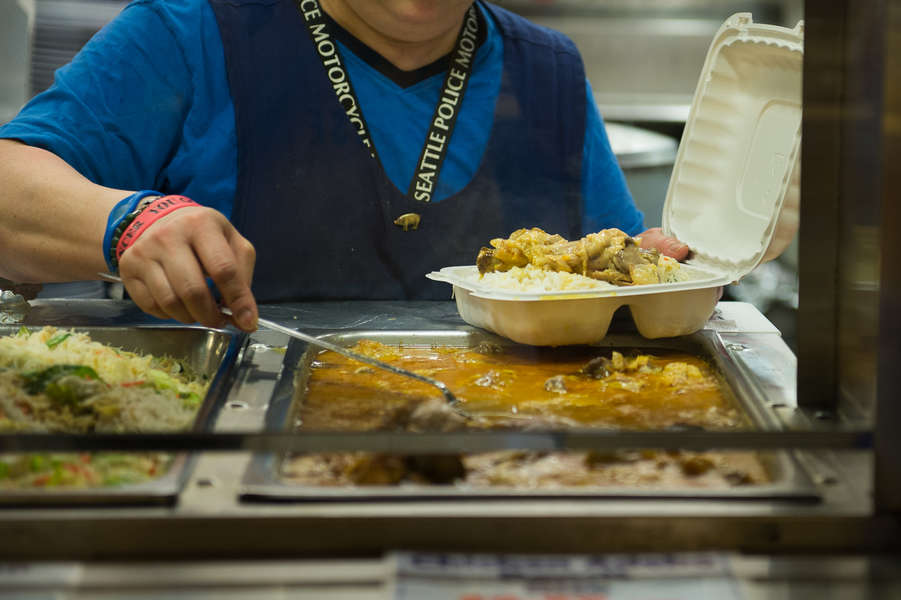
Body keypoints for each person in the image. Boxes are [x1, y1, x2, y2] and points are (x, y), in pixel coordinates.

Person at [0, 0, 690, 334]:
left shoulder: (548, 69)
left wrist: (662, 276)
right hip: (236, 449)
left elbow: (619, 281)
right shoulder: (189, 32)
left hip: (503, 449)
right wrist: (125, 220)